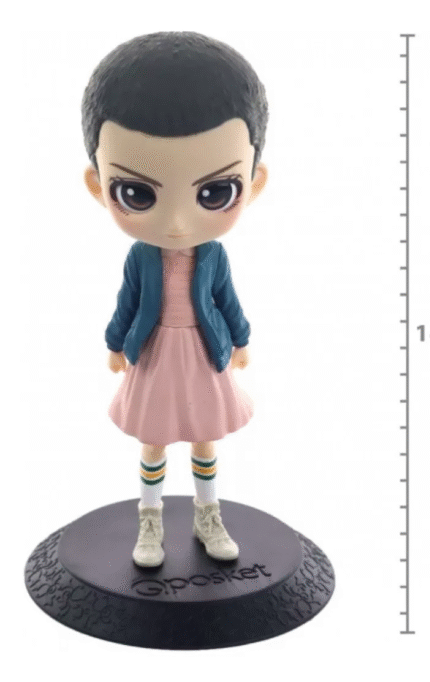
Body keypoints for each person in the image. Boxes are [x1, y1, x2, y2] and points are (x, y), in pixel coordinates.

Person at [81, 32, 268, 567]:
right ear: (99, 186)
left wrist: (241, 339)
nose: (179, 223)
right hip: (156, 352)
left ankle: (209, 514)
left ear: (253, 183)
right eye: (136, 193)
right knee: (155, 440)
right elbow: (127, 301)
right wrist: (115, 343)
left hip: (204, 352)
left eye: (215, 192)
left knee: (205, 439)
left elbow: (226, 298)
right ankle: (151, 520)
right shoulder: (141, 256)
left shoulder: (213, 255)